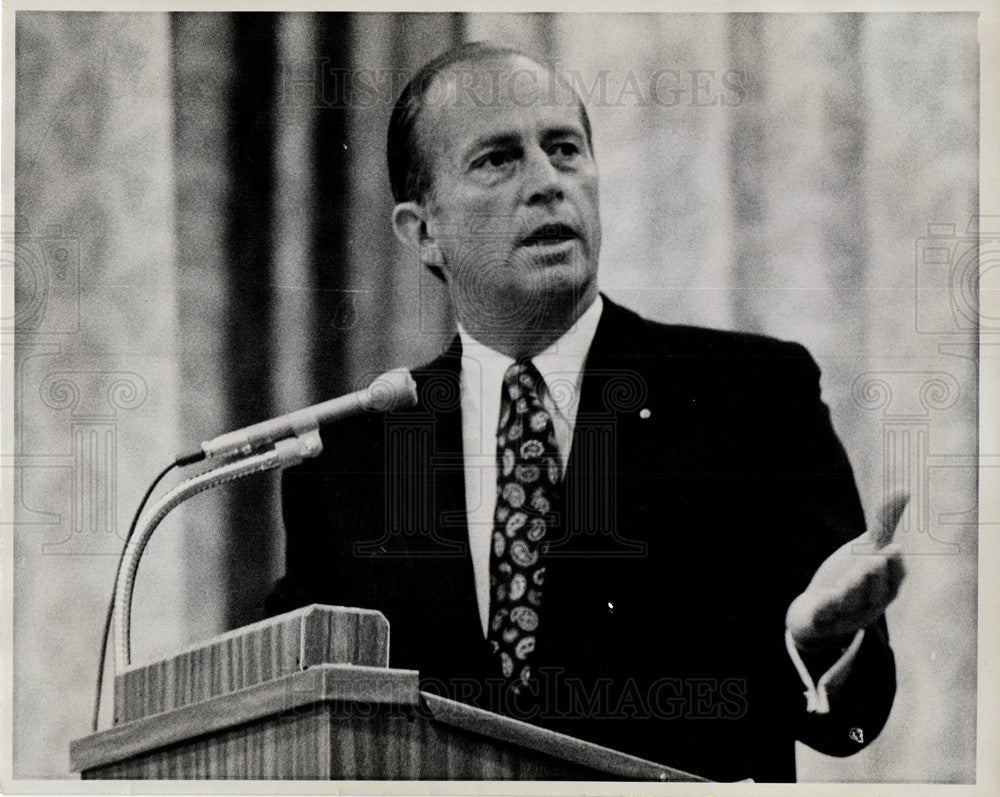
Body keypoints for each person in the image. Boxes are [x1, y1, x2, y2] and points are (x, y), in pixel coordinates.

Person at [266, 42, 906, 783]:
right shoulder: (353, 452)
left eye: (564, 149)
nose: (547, 183)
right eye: (499, 159)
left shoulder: (750, 395)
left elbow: (852, 719)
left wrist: (818, 643)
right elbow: (280, 705)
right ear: (421, 230)